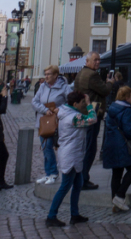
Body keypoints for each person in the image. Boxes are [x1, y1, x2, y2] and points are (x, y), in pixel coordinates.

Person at [45, 89, 98, 228]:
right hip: (71, 156)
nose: (83, 104)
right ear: (75, 104)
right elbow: (93, 119)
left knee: (78, 184)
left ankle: (75, 214)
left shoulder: (65, 111)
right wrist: (90, 105)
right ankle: (51, 216)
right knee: (65, 186)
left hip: (72, 154)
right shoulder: (73, 117)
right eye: (81, 102)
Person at [102, 85, 131, 212]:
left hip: (111, 144)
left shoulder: (112, 108)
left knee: (117, 172)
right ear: (126, 97)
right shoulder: (126, 111)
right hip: (123, 145)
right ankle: (119, 196)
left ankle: (115, 202)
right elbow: (129, 130)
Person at [74, 51, 109, 190]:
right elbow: (105, 90)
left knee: (84, 146)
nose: (98, 62)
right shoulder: (92, 75)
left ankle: (80, 177)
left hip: (82, 113)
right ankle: (83, 178)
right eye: (95, 60)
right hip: (91, 112)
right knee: (90, 147)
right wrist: (110, 83)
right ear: (87, 61)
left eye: (99, 60)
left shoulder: (80, 73)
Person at [32, 65, 69, 185]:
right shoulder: (43, 86)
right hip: (43, 122)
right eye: (45, 74)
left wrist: (60, 109)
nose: (46, 76)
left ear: (55, 75)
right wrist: (44, 110)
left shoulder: (64, 87)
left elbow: (71, 102)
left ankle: (53, 173)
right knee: (45, 148)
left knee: (49, 147)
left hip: (57, 122)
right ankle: (48, 173)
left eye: (48, 74)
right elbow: (34, 101)